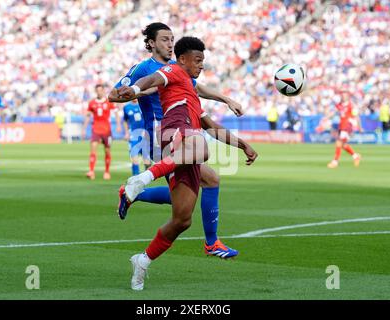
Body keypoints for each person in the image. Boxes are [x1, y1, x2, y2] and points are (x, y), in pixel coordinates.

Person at [117, 36, 258, 290]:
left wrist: (242, 145)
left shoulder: (192, 93)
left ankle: (143, 260)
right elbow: (150, 80)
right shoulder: (174, 71)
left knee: (183, 219)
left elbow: (212, 127)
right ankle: (143, 178)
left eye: (203, 61)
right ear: (183, 59)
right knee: (201, 148)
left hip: (186, 147)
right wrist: (136, 90)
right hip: (174, 135)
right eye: (198, 60)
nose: (201, 65)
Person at [82, 84, 119, 180]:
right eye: (97, 90)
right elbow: (88, 116)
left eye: (100, 90)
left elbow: (116, 113)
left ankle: (107, 172)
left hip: (107, 130)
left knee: (107, 151)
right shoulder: (92, 103)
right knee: (93, 150)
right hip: (96, 130)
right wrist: (83, 128)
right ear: (96, 91)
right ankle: (91, 171)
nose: (99, 92)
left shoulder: (108, 101)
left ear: (103, 91)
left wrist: (118, 125)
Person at [327, 91, 362, 169]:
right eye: (342, 96)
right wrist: (326, 118)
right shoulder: (339, 105)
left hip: (348, 126)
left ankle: (335, 162)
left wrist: (359, 127)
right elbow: (333, 112)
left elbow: (356, 116)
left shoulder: (351, 106)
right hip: (342, 126)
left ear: (348, 97)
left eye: (344, 96)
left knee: (338, 142)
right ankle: (356, 156)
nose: (343, 97)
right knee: (343, 145)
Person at [122, 100, 151, 175]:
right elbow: (125, 120)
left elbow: (149, 118)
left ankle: (148, 176)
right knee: (134, 156)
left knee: (147, 161)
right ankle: (135, 176)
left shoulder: (144, 105)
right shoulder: (126, 107)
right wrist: (126, 133)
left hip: (144, 135)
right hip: (133, 136)